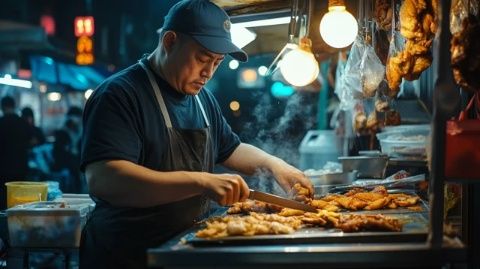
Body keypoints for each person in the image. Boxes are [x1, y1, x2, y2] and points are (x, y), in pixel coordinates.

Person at [79, 1, 313, 268]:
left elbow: (231, 149)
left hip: (184, 249)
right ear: (169, 42)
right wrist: (201, 181)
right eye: (202, 59)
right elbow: (105, 179)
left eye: (217, 62)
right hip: (127, 254)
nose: (208, 73)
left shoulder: (203, 100)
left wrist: (275, 164)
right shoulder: (120, 94)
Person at [0, 96, 32, 209]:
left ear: (2, 107)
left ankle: (5, 224)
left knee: (5, 201)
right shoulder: (22, 122)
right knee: (20, 201)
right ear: (14, 106)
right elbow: (32, 141)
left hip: (3, 170)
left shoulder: (1, 123)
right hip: (21, 167)